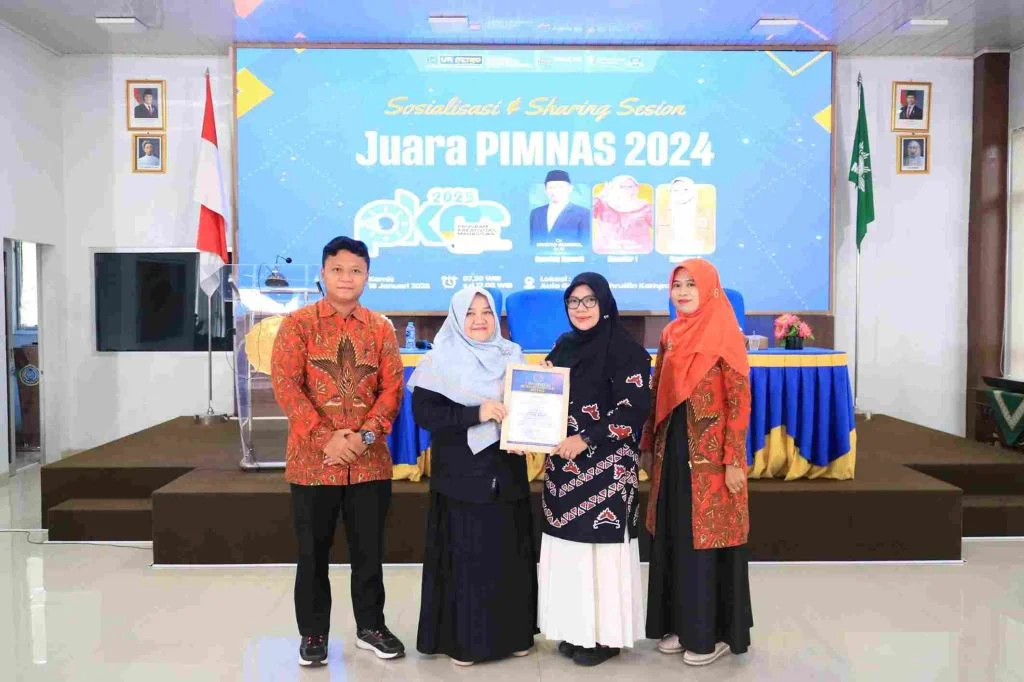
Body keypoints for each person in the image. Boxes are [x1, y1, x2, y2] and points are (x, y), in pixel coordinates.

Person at [271, 236, 406, 667]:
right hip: (313, 463)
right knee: (313, 553)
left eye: (356, 271)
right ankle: (313, 633)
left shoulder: (380, 328)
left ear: (367, 277)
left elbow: (392, 390)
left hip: (369, 462)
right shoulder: (297, 325)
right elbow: (287, 386)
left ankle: (371, 626)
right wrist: (325, 438)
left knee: (369, 551)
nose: (347, 278)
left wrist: (363, 438)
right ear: (323, 273)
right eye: (338, 269)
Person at [409, 287, 537, 666]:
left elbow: (529, 409)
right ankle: (465, 643)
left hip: (507, 472)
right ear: (456, 318)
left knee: (509, 558)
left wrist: (528, 433)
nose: (480, 320)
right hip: (462, 477)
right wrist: (475, 414)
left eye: (487, 312)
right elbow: (426, 415)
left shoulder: (511, 355)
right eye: (470, 313)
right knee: (467, 560)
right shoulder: (439, 360)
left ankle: (515, 635)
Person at [642, 259, 753, 667]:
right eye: (678, 285)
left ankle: (711, 633)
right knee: (675, 534)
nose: (684, 291)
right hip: (672, 452)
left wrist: (734, 459)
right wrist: (647, 442)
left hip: (711, 459)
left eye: (692, 284)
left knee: (707, 541)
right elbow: (657, 391)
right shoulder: (670, 335)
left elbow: (739, 401)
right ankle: (678, 624)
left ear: (709, 288)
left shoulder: (726, 333)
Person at [538, 272, 651, 666]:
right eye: (573, 301)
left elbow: (634, 409)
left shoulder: (626, 350)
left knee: (599, 557)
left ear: (604, 303)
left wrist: (585, 438)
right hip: (563, 467)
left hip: (607, 469)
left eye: (589, 300)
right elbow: (546, 399)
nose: (581, 308)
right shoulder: (563, 346)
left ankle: (604, 637)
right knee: (570, 552)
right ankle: (575, 630)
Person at [529, 169, 591, 248]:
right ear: (545, 190)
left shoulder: (584, 214)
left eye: (560, 187)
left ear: (570, 189)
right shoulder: (535, 213)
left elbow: (585, 245)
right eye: (551, 187)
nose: (555, 191)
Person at [592, 175, 653, 254]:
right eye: (622, 187)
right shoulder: (602, 204)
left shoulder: (646, 207)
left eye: (631, 187)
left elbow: (659, 228)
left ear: (637, 189)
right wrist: (600, 195)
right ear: (613, 188)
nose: (627, 190)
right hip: (605, 252)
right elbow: (588, 213)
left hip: (638, 252)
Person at [656, 177, 714, 255]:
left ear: (692, 192)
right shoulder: (664, 213)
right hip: (672, 249)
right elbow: (661, 236)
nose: (680, 193)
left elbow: (709, 236)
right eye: (676, 190)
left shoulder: (704, 212)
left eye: (685, 190)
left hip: (696, 249)